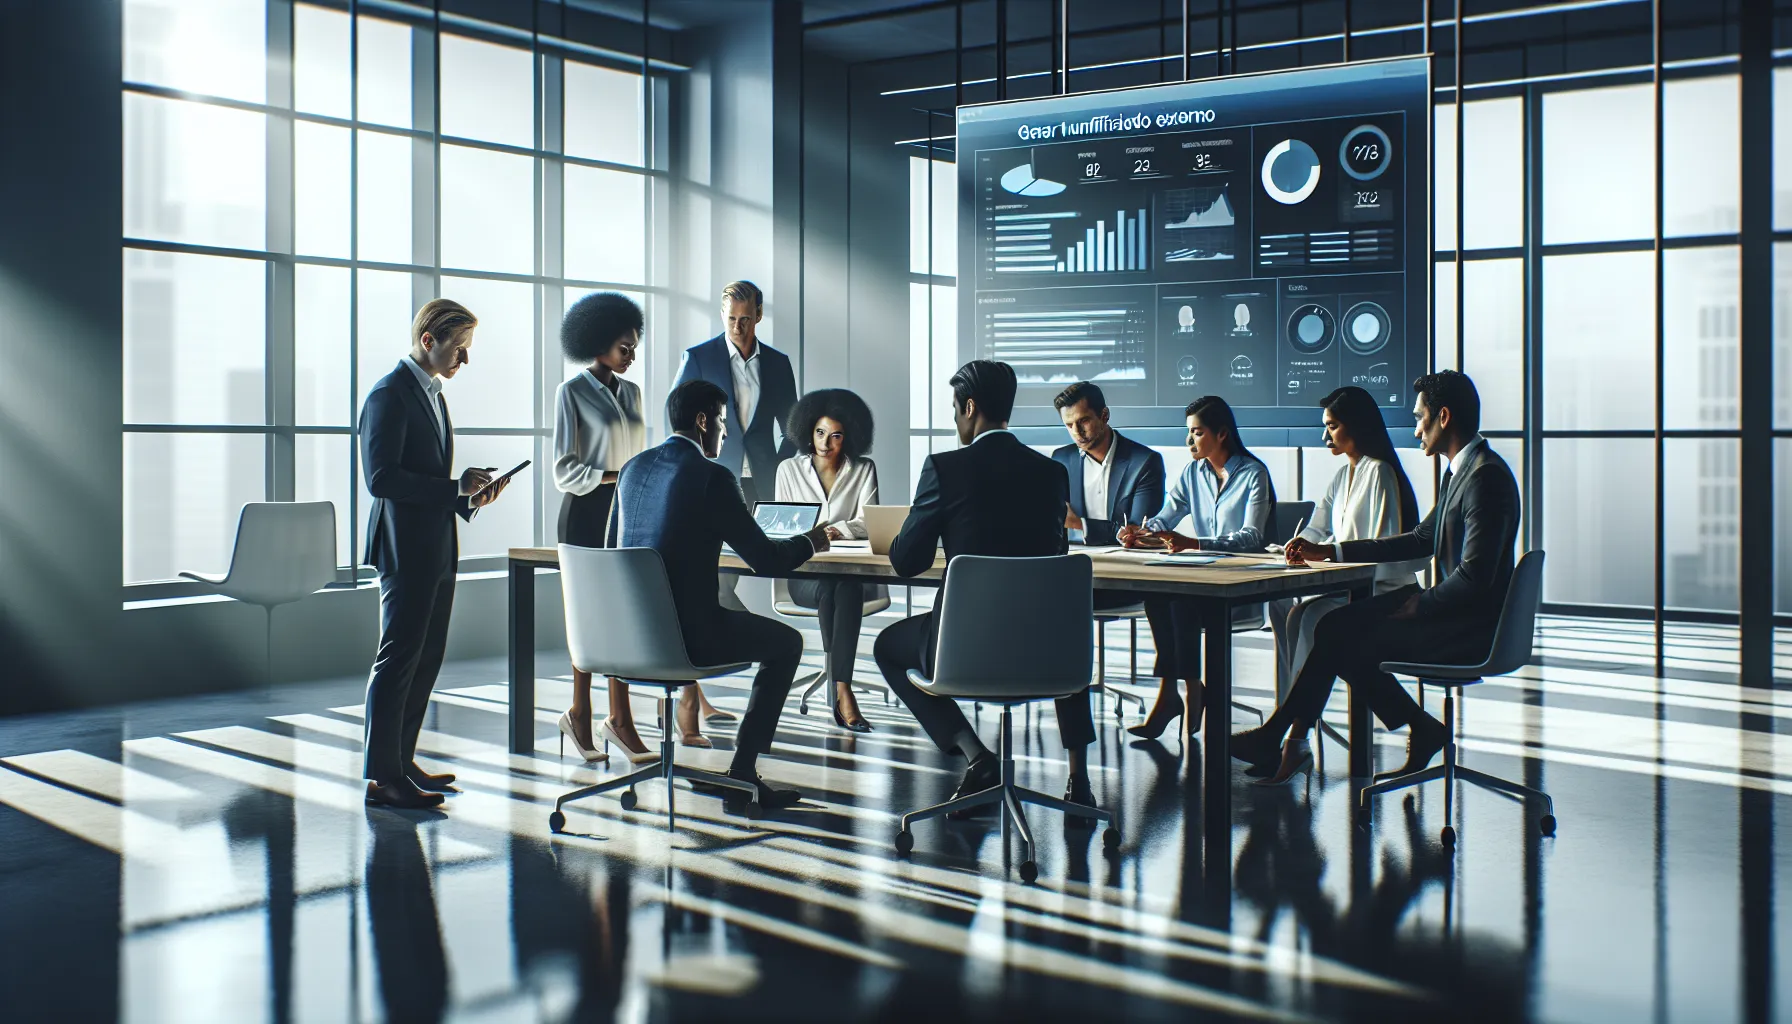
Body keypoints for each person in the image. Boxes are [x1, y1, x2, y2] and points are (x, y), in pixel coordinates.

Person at [1234, 370, 1520, 786]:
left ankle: (1282, 736)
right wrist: (1330, 551)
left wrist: (1421, 604)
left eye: (1419, 417)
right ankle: (1407, 728)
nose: (1415, 427)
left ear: (1443, 417)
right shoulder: (1464, 472)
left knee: (1339, 635)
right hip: (1451, 614)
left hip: (1469, 630)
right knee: (1333, 627)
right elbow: (1419, 539)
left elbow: (1475, 576)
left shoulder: (1484, 478)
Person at [874, 360, 1104, 816]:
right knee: (1063, 623)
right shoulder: (1051, 473)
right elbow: (1057, 560)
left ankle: (976, 755)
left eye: (955, 409)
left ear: (970, 407)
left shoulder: (944, 468)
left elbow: (905, 561)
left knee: (886, 647)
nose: (955, 419)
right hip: (1046, 655)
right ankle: (1078, 780)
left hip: (964, 651)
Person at [607, 379, 831, 813]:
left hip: (625, 640)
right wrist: (810, 540)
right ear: (702, 421)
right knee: (787, 644)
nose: (726, 434)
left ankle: (737, 775)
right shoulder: (712, 477)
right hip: (687, 640)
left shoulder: (632, 470)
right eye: (723, 423)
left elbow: (612, 554)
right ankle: (742, 774)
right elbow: (765, 559)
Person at [360, 298, 512, 810]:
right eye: (459, 348)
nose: (464, 360)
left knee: (426, 658)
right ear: (430, 341)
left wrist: (466, 496)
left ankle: (400, 761)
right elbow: (380, 478)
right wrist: (451, 491)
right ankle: (384, 779)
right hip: (405, 550)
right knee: (398, 658)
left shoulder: (433, 396)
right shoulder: (389, 395)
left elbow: (425, 478)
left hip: (436, 546)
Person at [553, 292, 709, 766]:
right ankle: (581, 714)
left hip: (626, 508)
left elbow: (641, 453)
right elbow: (563, 469)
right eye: (625, 347)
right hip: (585, 510)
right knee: (587, 617)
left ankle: (618, 719)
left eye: (636, 346)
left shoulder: (634, 393)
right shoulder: (572, 393)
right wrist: (613, 476)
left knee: (619, 614)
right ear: (597, 343)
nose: (632, 356)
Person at [1117, 395, 1275, 742]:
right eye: (1188, 432)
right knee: (1159, 596)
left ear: (1222, 434)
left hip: (1240, 585)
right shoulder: (1193, 473)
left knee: (1181, 602)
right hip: (1201, 576)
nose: (1189, 441)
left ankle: (1184, 692)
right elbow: (1165, 516)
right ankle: (1177, 691)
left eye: (1197, 433)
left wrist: (1196, 544)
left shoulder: (1253, 474)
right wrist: (1143, 531)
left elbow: (1252, 536)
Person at [1267, 386, 1425, 703]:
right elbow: (1317, 526)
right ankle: (1289, 711)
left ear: (1356, 425)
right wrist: (1301, 544)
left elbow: (1381, 547)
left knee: (1310, 616)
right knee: (1286, 609)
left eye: (1332, 426)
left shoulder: (1380, 472)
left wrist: (1324, 553)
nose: (1326, 437)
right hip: (1350, 584)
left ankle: (1296, 719)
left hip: (1385, 591)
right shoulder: (1342, 475)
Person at [673, 280, 799, 645]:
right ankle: (751, 643)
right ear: (722, 315)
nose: (738, 327)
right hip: (713, 479)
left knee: (761, 560)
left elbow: (793, 427)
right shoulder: (698, 357)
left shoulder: (777, 363)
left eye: (746, 318)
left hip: (761, 482)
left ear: (759, 315)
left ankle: (751, 642)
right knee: (717, 574)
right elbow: (679, 416)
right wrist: (696, 464)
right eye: (731, 318)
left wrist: (777, 466)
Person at [774, 388, 882, 733]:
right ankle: (843, 689)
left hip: (852, 574)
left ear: (848, 437)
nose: (825, 443)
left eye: (835, 436)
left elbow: (870, 521)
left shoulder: (863, 469)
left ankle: (839, 684)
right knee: (832, 588)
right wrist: (812, 535)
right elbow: (784, 523)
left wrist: (834, 531)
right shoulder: (788, 470)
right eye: (820, 433)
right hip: (805, 576)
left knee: (844, 586)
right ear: (808, 431)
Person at [1051, 381, 1166, 548]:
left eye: (1083, 421)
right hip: (1073, 560)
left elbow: (1139, 534)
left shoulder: (1145, 462)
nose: (1077, 432)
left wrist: (1079, 524)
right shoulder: (1061, 458)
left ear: (1104, 415)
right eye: (1069, 425)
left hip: (1130, 564)